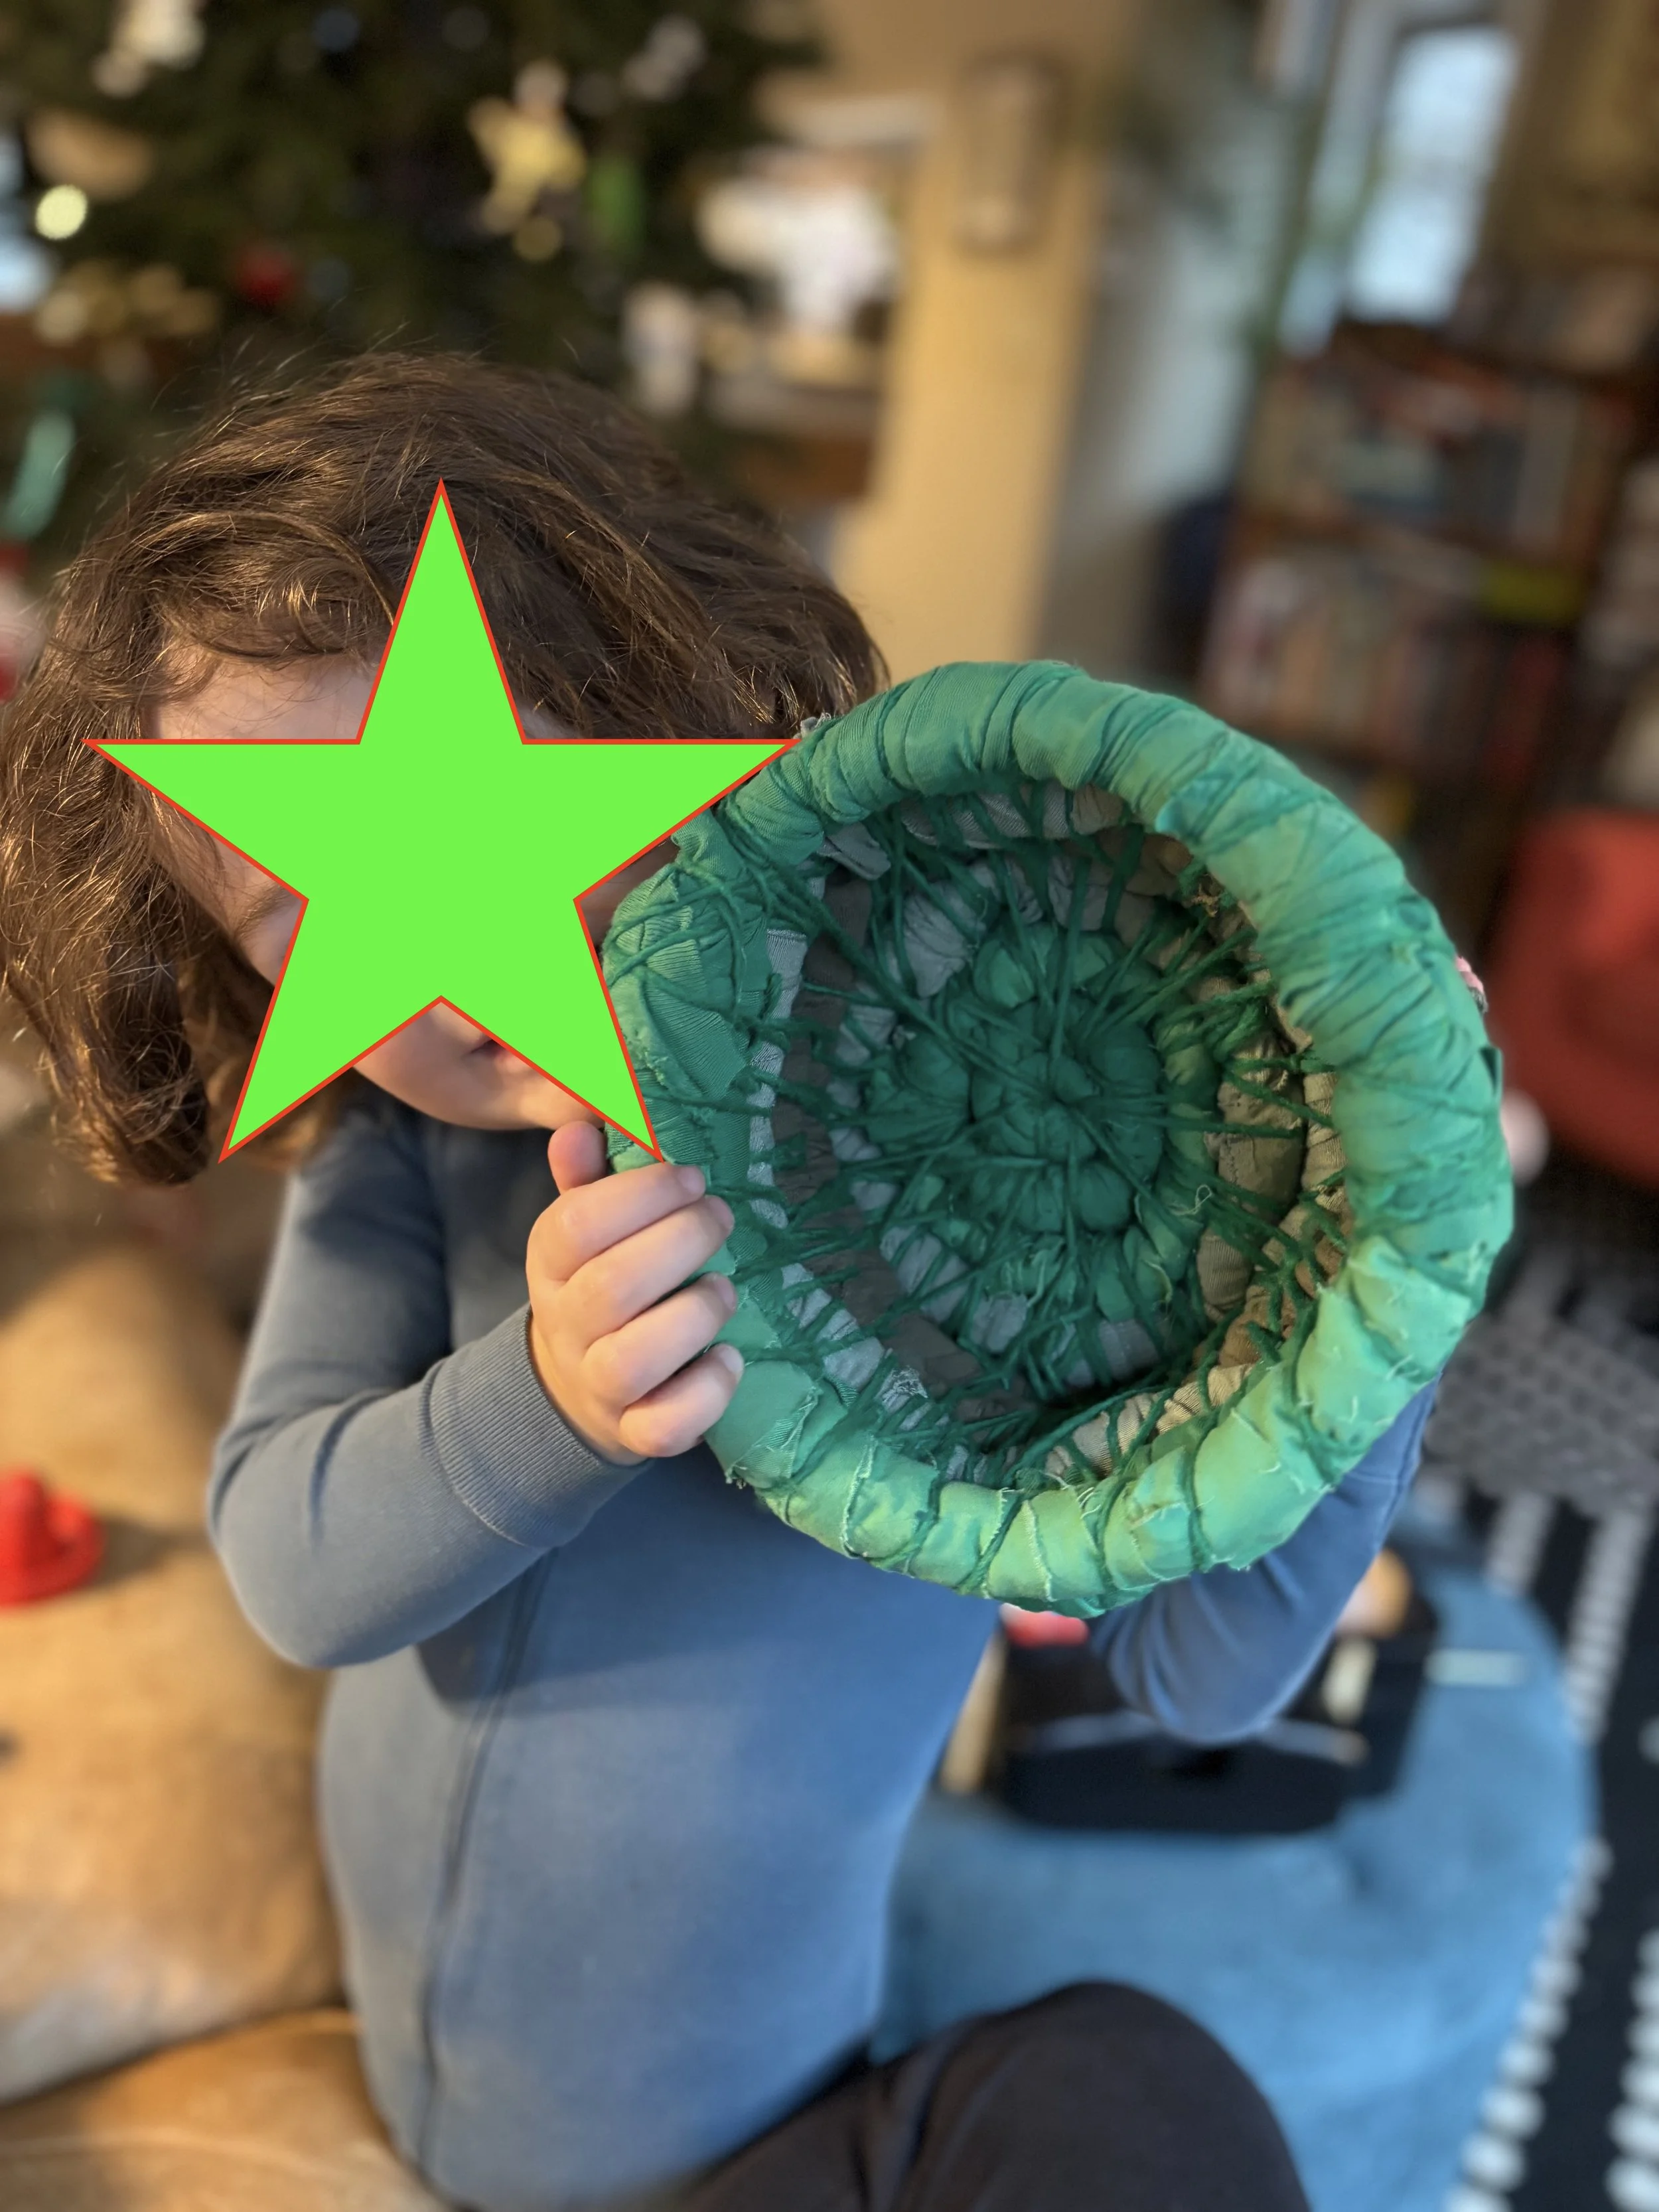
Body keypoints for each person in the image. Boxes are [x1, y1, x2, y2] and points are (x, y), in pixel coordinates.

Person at [0, 356, 1431, 2212]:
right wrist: (545, 1397)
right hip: (430, 2069)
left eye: (484, 810)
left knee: (1130, 2087)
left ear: (666, 712)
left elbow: (1203, 1668)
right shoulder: (396, 1154)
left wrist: (1369, 1319)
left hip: (763, 2127)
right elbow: (288, 1561)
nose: (438, 955)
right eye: (302, 906)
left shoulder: (975, 1188)